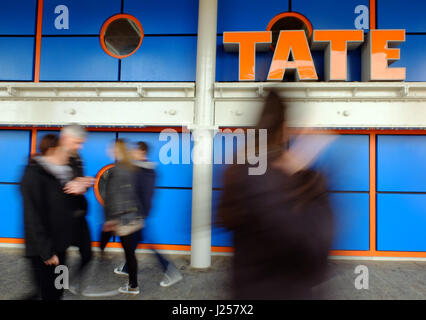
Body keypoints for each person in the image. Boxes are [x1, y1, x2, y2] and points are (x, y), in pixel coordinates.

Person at [216, 91, 335, 300]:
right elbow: (310, 247)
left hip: (246, 289)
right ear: (283, 129)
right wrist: (310, 181)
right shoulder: (269, 178)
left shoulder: (240, 169)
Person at [113, 141, 183, 287]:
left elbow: (144, 195)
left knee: (149, 244)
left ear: (142, 153)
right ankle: (127, 267)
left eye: (135, 151)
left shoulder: (143, 171)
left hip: (139, 215)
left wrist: (140, 215)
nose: (132, 153)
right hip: (139, 214)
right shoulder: (142, 169)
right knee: (134, 242)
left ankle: (171, 271)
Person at [21, 134, 74, 300]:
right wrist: (46, 253)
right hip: (44, 252)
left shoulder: (61, 175)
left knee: (59, 290)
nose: (68, 155)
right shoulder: (33, 176)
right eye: (64, 151)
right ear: (52, 151)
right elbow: (33, 218)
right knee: (47, 294)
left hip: (61, 247)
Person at [100, 139, 143, 295]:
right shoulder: (132, 168)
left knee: (129, 253)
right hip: (133, 217)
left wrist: (110, 219)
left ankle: (133, 285)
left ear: (118, 151)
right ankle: (132, 283)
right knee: (130, 253)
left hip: (122, 219)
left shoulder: (117, 170)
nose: (110, 150)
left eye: (112, 148)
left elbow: (112, 197)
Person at [60, 124, 95, 294]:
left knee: (88, 254)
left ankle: (68, 284)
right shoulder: (56, 158)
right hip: (62, 218)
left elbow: (78, 182)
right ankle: (60, 287)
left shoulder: (77, 157)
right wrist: (70, 185)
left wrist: (84, 183)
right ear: (65, 139)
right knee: (61, 257)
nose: (80, 147)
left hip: (79, 216)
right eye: (77, 142)